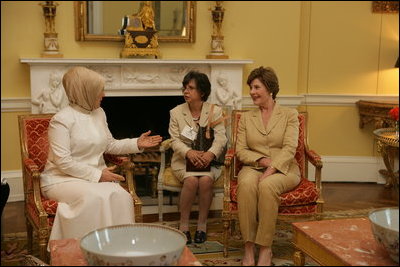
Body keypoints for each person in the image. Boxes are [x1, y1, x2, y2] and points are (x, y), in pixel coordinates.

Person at [40, 66, 162, 243]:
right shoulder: (61, 120)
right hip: (61, 179)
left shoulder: (99, 113)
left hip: (95, 177)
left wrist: (136, 143)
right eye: (99, 90)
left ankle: (118, 247)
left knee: (122, 196)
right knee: (94, 198)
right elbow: (63, 162)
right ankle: (84, 249)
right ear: (85, 92)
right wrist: (97, 175)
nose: (103, 94)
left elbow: (110, 144)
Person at [236, 66, 300, 266]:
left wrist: (272, 169)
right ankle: (248, 247)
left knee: (267, 186)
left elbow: (290, 147)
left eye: (256, 87)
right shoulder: (246, 118)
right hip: (254, 166)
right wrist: (263, 162)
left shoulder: (289, 114)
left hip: (285, 168)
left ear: (270, 89)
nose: (252, 92)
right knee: (246, 185)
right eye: (251, 88)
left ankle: (265, 248)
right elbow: (241, 150)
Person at [168, 71, 227, 244]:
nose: (186, 91)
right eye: (185, 88)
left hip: (210, 161)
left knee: (206, 181)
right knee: (192, 181)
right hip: (184, 161)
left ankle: (202, 226)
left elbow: (221, 138)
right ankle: (184, 225)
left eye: (191, 88)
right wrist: (189, 153)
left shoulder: (215, 111)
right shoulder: (176, 112)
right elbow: (174, 140)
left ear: (202, 92)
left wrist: (210, 154)